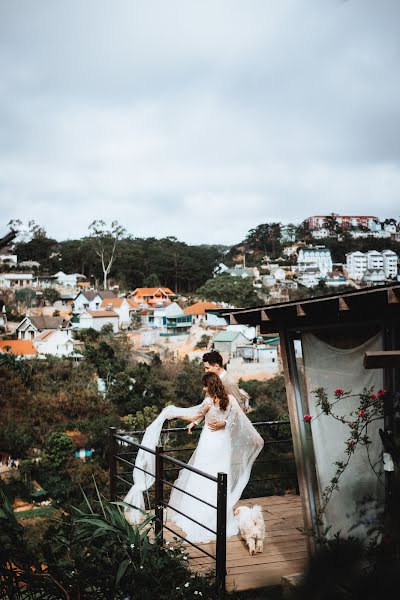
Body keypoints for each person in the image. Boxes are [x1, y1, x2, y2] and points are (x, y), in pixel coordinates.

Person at [124, 373, 264, 543]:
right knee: (208, 476)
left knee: (212, 475)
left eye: (205, 386)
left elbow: (234, 419)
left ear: (210, 385)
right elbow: (207, 416)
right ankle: (206, 516)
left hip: (217, 442)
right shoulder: (218, 400)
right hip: (214, 442)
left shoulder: (220, 400)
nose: (203, 389)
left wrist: (173, 413)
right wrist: (195, 423)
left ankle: (209, 518)